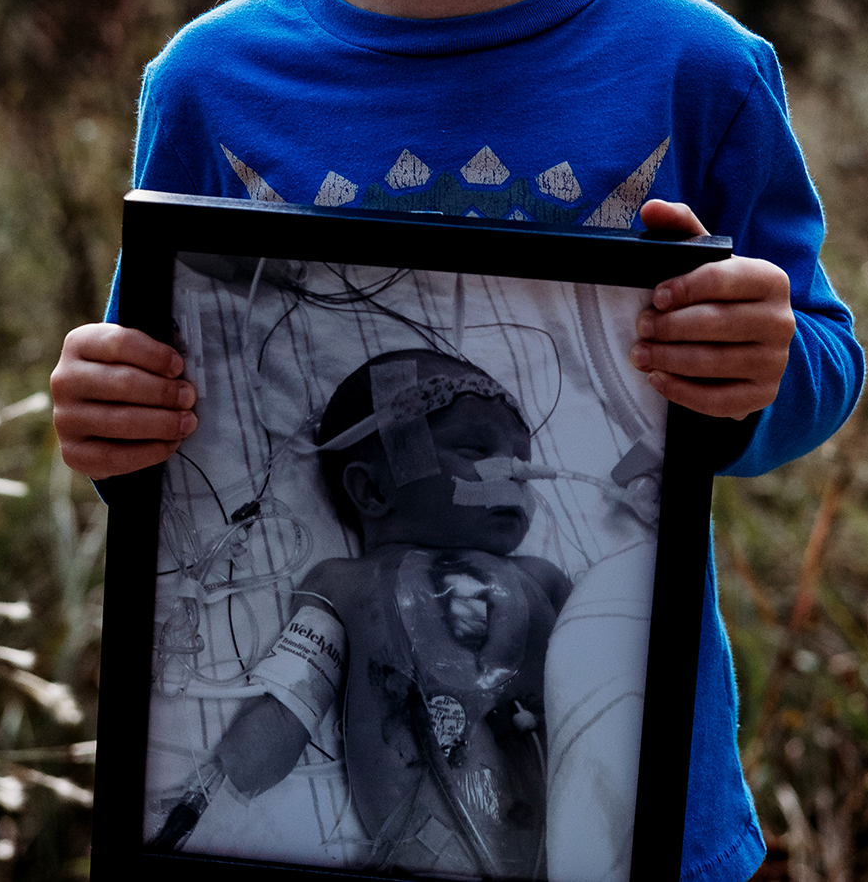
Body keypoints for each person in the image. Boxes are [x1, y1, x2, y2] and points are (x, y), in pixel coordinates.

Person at [50, 0, 864, 882]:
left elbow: (815, 369)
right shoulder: (209, 87)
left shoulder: (701, 73)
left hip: (635, 827)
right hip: (312, 841)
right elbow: (174, 438)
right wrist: (114, 418)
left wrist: (755, 365)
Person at [152, 349, 570, 876]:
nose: (516, 471)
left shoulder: (543, 579)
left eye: (523, 461)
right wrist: (215, 789)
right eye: (475, 448)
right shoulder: (345, 584)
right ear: (371, 490)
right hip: (422, 858)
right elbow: (292, 703)